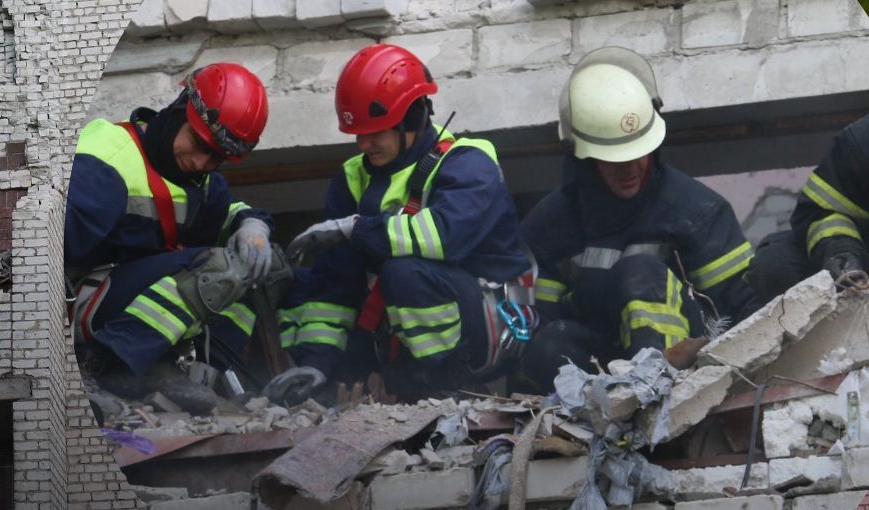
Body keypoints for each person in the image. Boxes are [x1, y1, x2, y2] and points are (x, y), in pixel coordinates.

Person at [267, 44, 536, 406]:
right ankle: (359, 380)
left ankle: (443, 381)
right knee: (298, 283)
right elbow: (334, 286)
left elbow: (444, 236)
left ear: (414, 118)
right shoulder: (352, 178)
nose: (364, 143)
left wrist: (355, 228)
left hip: (488, 325)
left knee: (403, 272)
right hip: (400, 328)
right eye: (358, 133)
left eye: (376, 131)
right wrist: (318, 362)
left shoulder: (469, 163)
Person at [517, 48, 763, 388]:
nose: (631, 168)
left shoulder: (697, 212)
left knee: (641, 275)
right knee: (547, 345)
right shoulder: (551, 225)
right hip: (600, 372)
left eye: (640, 151)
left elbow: (745, 308)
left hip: (688, 372)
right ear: (584, 159)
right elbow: (537, 326)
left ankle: (654, 395)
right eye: (615, 158)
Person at [65, 63, 285, 414]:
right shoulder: (106, 158)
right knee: (216, 267)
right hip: (80, 310)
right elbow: (45, 253)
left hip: (126, 307)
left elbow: (225, 210)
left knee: (263, 265)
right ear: (180, 109)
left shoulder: (204, 183)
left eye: (216, 157)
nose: (201, 162)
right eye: (198, 144)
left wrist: (252, 223)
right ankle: (108, 366)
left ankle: (197, 378)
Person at [750, 113, 869, 301]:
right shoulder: (862, 141)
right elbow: (823, 209)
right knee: (775, 263)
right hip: (862, 257)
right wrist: (842, 251)